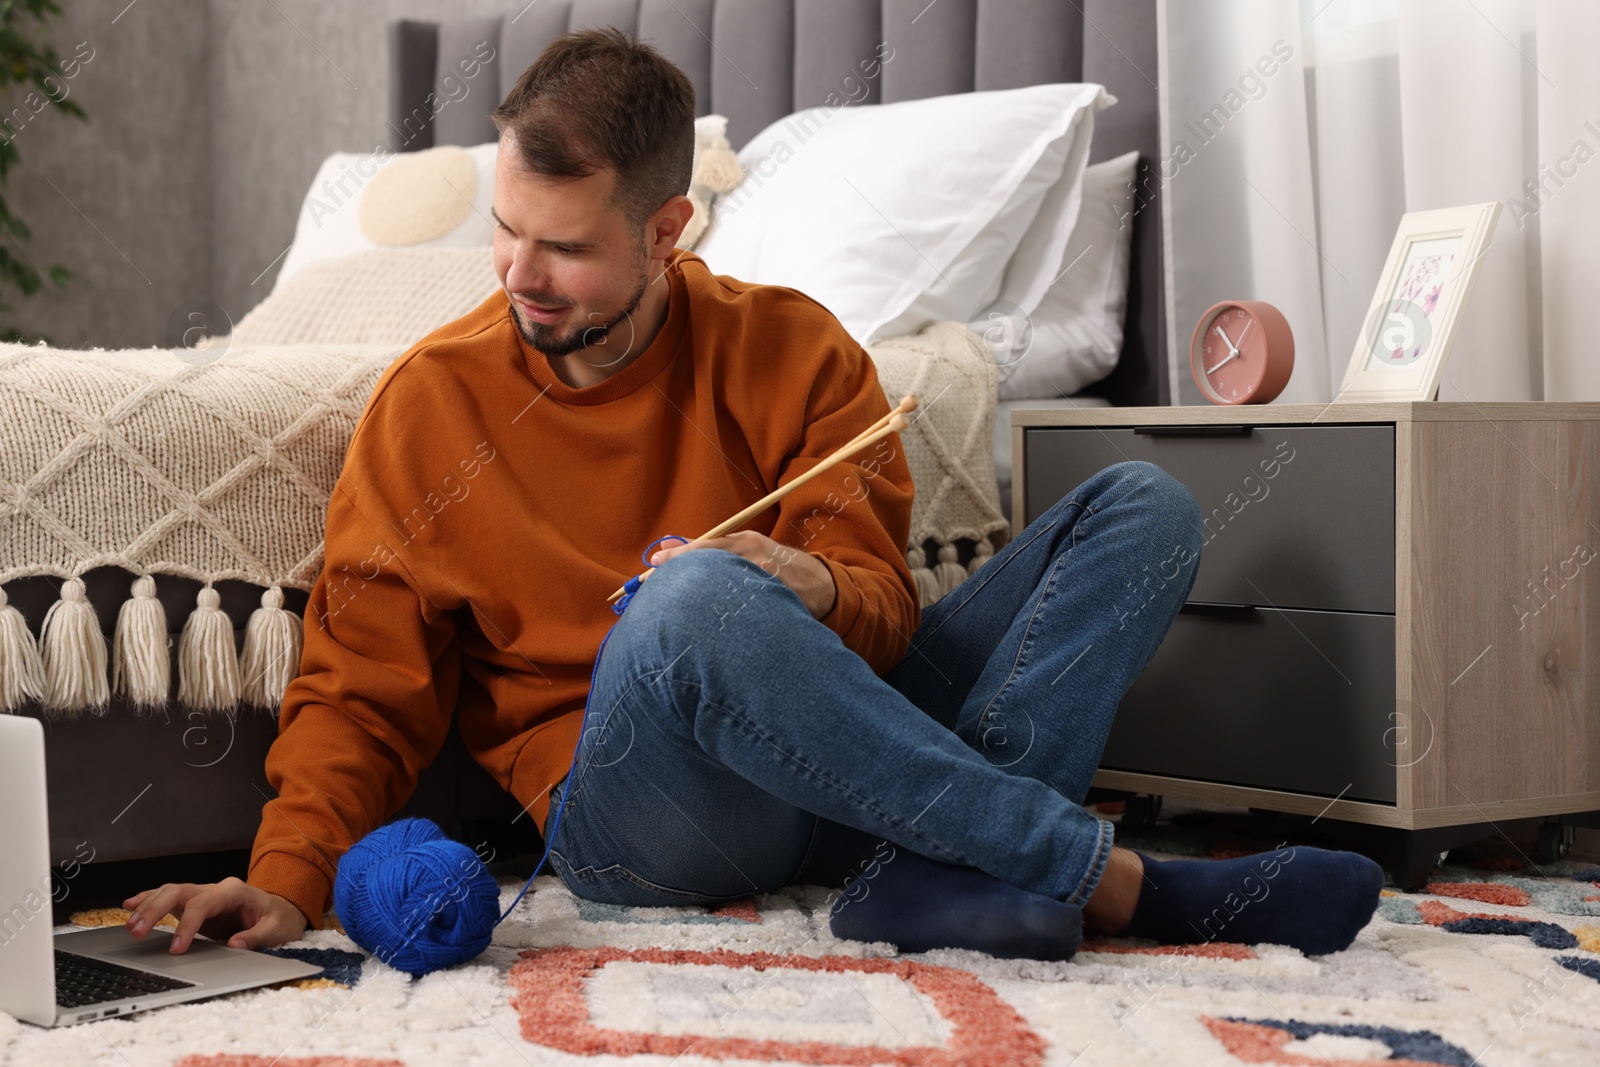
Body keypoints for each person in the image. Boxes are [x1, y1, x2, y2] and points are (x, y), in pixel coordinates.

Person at [124, 29, 1382, 961]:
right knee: (685, 608)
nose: (521, 274)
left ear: (668, 228)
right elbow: (361, 683)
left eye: (566, 246)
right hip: (640, 819)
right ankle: (1100, 878)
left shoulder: (797, 349)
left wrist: (816, 582)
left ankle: (925, 880)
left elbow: (884, 611)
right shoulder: (432, 402)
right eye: (508, 230)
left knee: (1142, 505)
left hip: (834, 750)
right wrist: (286, 876)